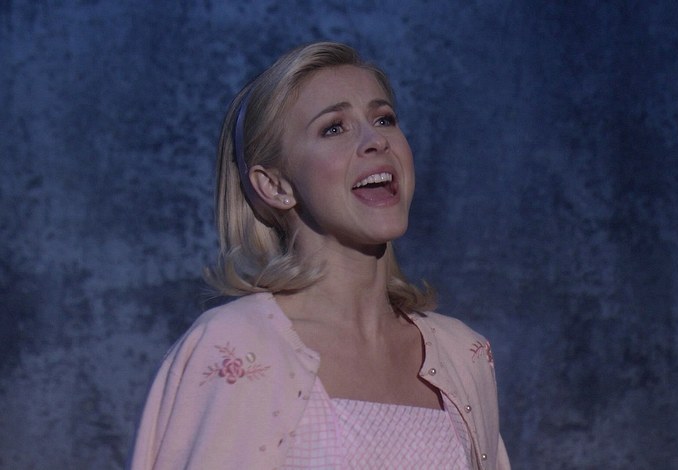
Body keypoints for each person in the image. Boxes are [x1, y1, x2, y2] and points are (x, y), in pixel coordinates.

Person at [129, 41, 510, 469]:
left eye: (384, 119)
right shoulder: (236, 347)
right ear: (275, 185)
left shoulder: (463, 353)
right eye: (334, 128)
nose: (375, 141)